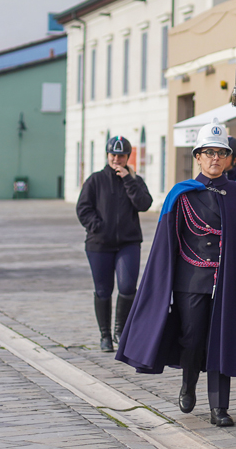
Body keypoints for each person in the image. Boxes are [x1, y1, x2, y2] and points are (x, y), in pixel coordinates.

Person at [115, 119, 236, 427]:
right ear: (198, 157)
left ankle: (219, 407)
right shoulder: (181, 194)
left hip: (229, 281)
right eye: (209, 152)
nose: (215, 158)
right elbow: (166, 245)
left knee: (222, 340)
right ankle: (189, 384)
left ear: (228, 159)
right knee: (193, 338)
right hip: (191, 280)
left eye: (221, 153)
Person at [76, 136, 153, 352]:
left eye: (121, 155)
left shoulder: (135, 180)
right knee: (103, 290)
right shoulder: (95, 180)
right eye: (113, 155)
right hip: (99, 244)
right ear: (107, 155)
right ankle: (105, 336)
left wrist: (128, 179)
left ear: (128, 157)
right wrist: (96, 226)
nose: (117, 159)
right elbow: (83, 208)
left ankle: (121, 332)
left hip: (128, 244)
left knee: (128, 287)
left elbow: (144, 204)